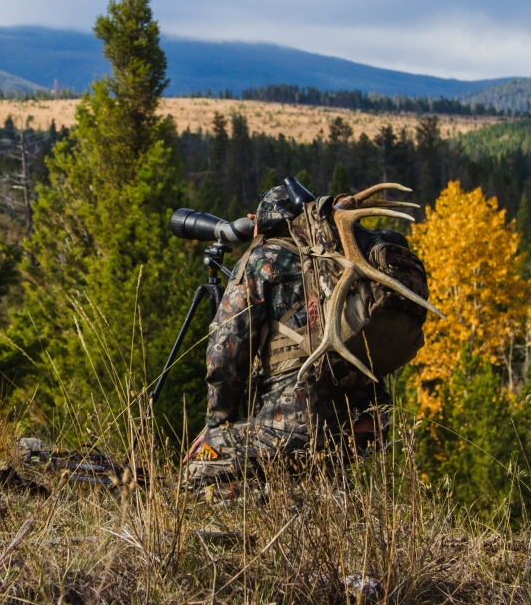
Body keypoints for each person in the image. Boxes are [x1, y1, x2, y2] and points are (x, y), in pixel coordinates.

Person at [183, 184, 428, 488]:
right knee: (309, 476)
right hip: (364, 424)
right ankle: (318, 495)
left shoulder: (264, 257)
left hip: (295, 425)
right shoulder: (337, 256)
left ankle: (261, 499)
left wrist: (217, 425)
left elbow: (225, 352)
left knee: (200, 467)